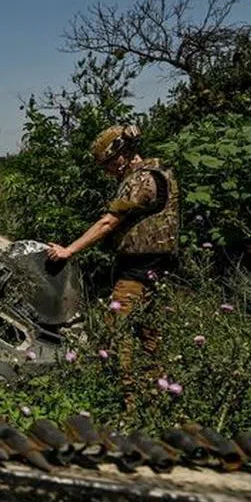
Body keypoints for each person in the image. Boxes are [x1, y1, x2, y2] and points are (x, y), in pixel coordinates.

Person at [47, 124, 180, 405]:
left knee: (117, 332)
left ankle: (128, 401)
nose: (106, 170)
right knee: (148, 334)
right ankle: (154, 395)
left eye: (107, 163)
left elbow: (108, 221)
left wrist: (69, 250)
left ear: (122, 154)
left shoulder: (143, 180)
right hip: (155, 267)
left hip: (140, 269)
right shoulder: (157, 173)